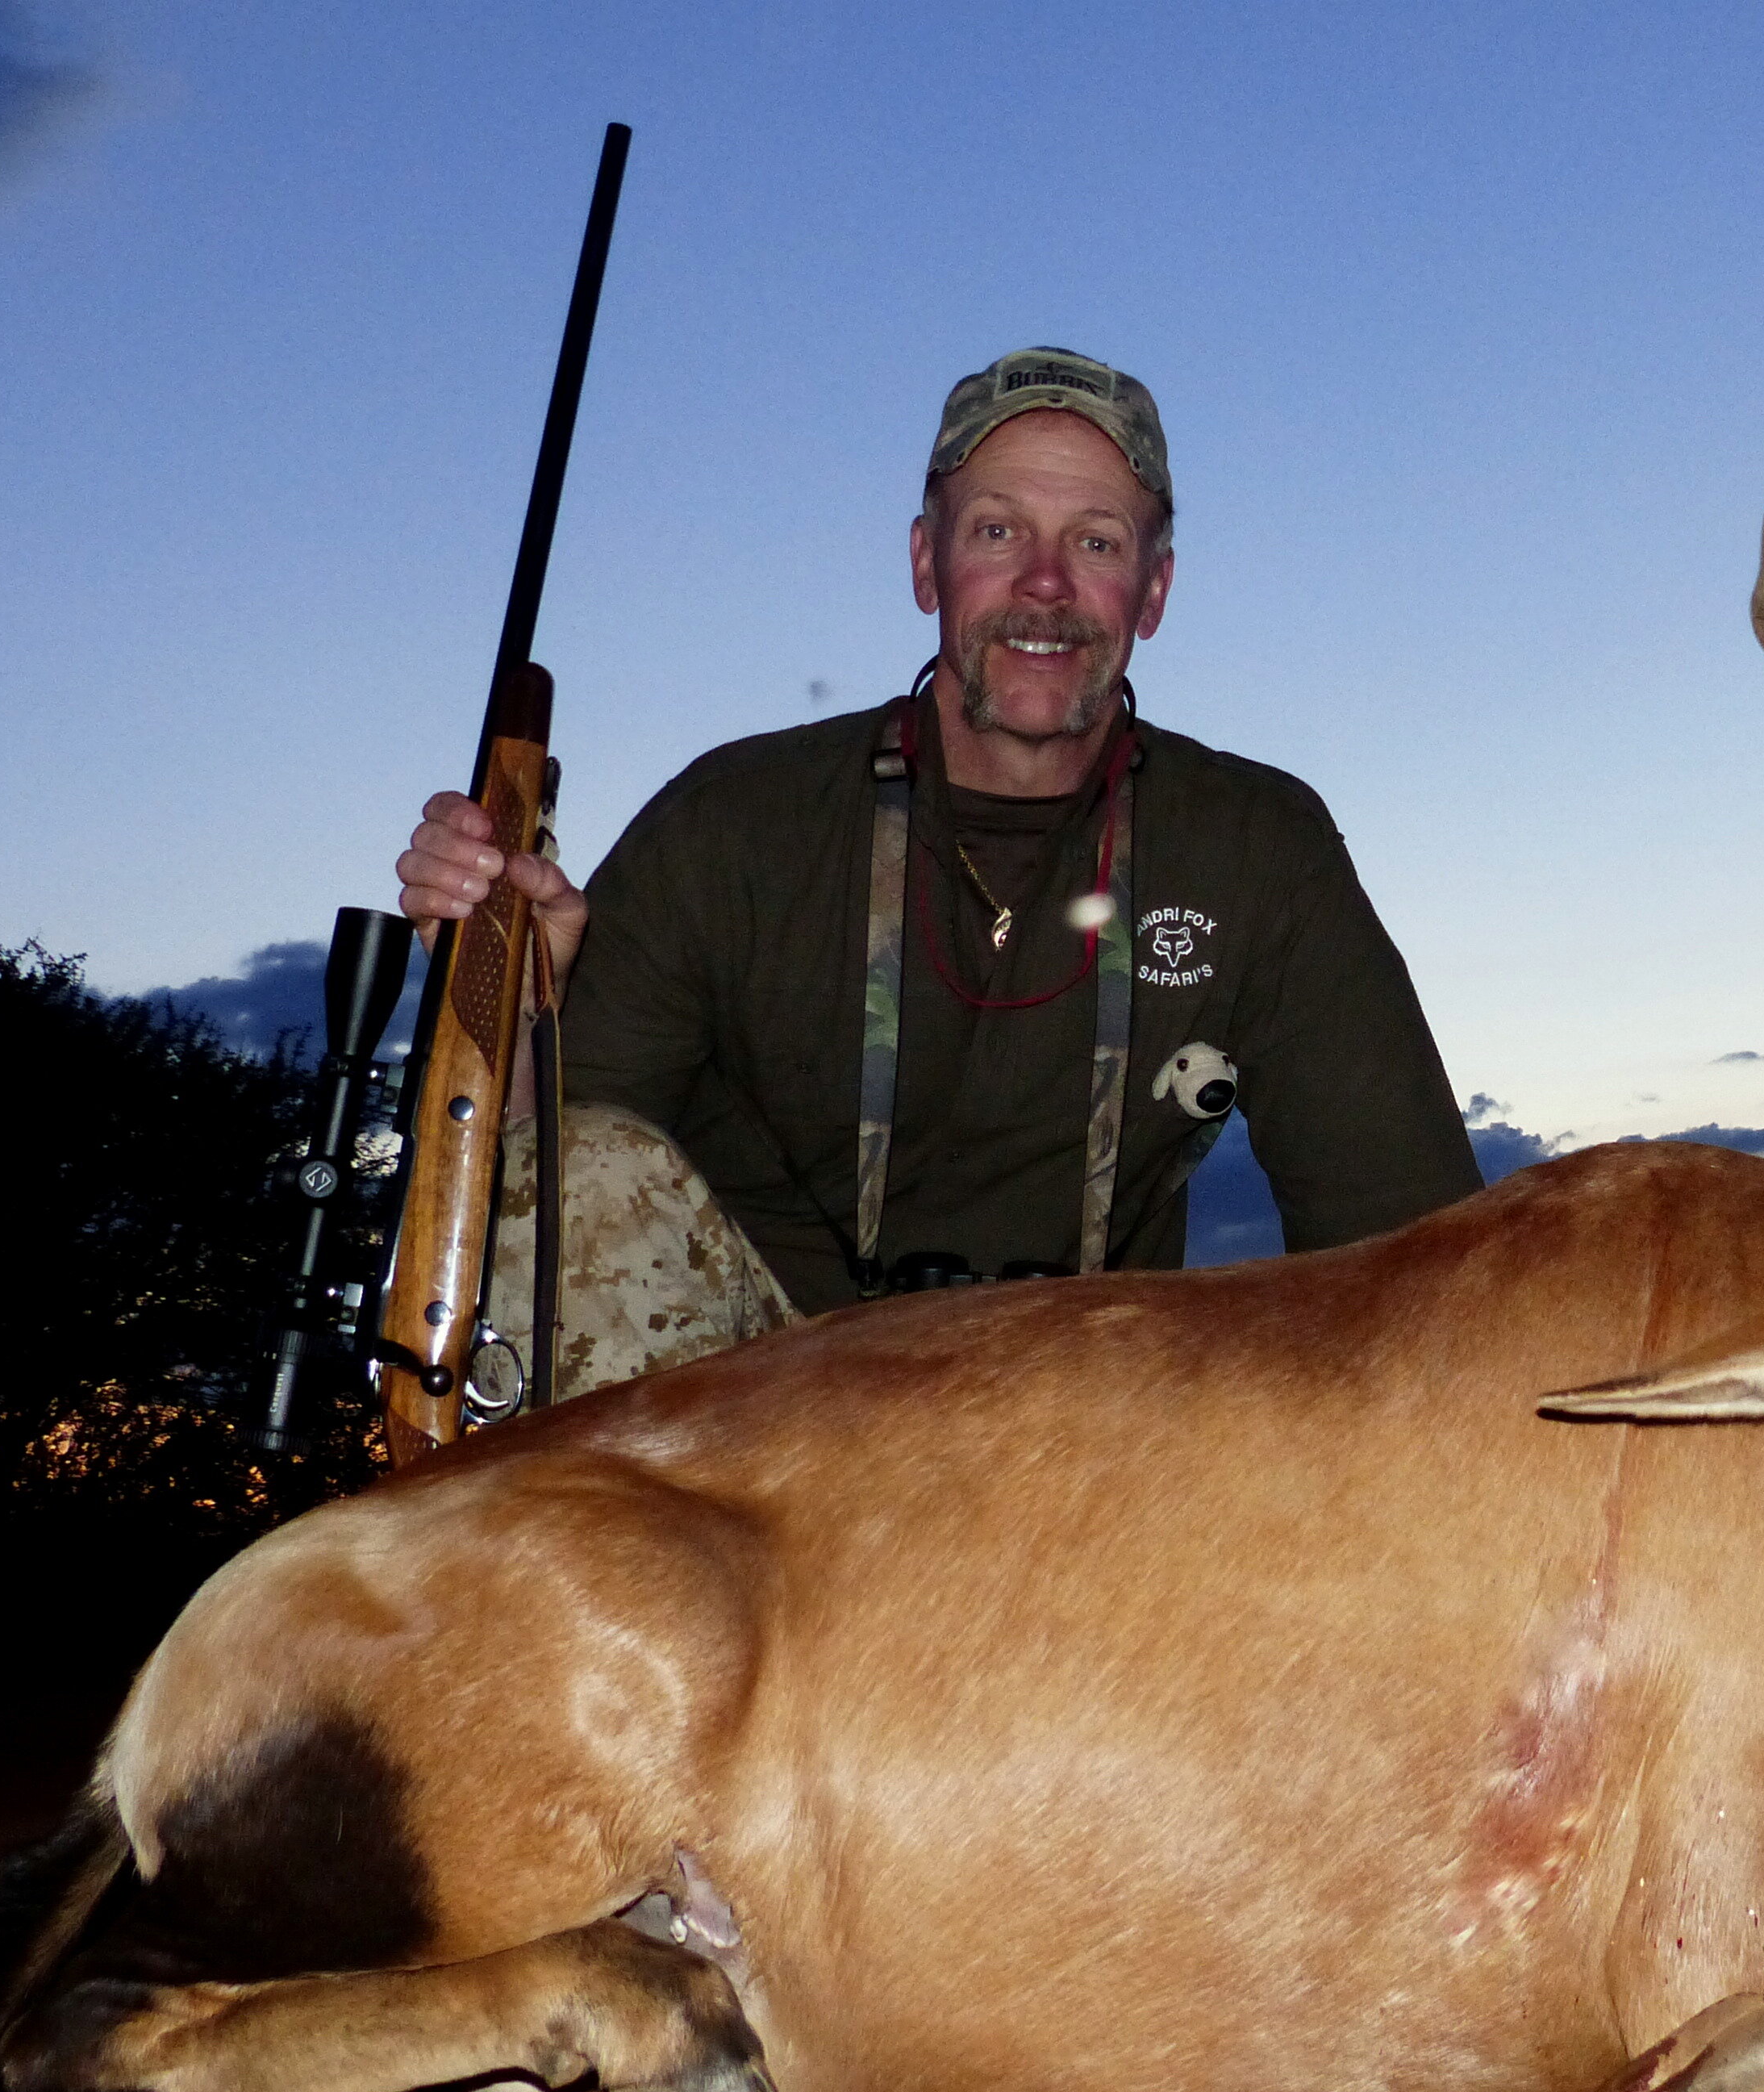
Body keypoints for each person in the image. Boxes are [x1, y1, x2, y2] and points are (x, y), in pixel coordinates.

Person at [395, 347, 1482, 1394]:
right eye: (998, 530)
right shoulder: (732, 824)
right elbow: (540, 1191)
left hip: (1094, 1426)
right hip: (756, 1421)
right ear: (927, 563)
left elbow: (1418, 1247)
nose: (1046, 584)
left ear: (1152, 592)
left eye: (1098, 543)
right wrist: (515, 995)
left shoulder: (1259, 847)